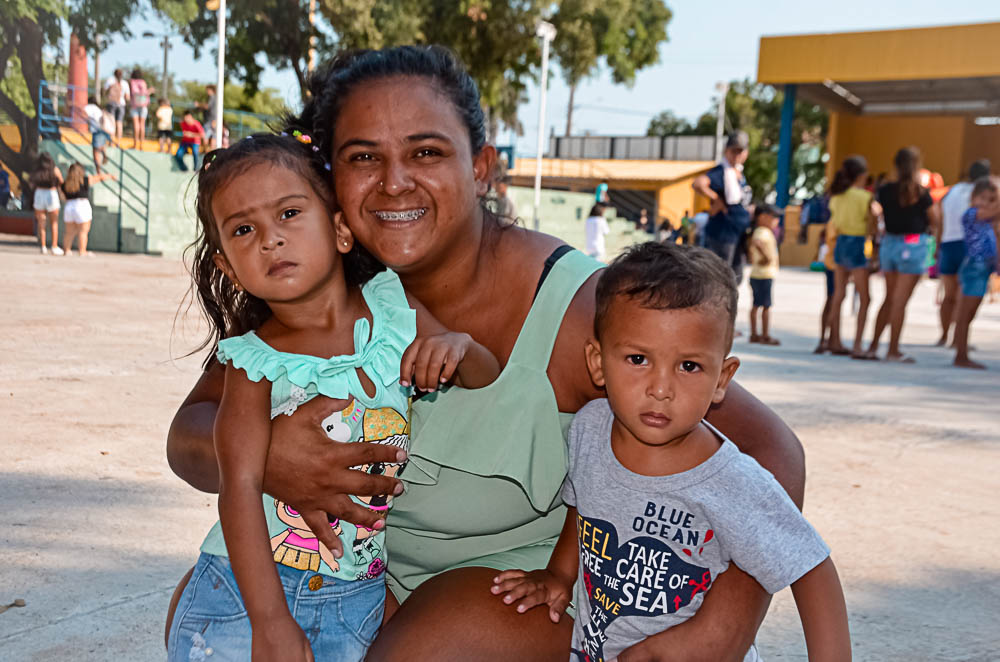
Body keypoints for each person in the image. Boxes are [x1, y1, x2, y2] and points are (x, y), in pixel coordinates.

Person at [165, 45, 807, 661]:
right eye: (364, 158)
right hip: (365, 585)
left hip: (533, 590)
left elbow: (771, 450)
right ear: (332, 182)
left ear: (480, 167)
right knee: (204, 613)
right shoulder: (319, 291)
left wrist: (726, 623)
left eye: (426, 151)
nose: (393, 183)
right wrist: (271, 459)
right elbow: (189, 434)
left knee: (424, 648)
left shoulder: (576, 307)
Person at [166, 133, 499, 661]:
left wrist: (461, 346)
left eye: (290, 213)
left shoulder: (393, 313)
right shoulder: (251, 363)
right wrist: (270, 621)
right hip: (245, 595)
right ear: (229, 267)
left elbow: (483, 376)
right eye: (244, 230)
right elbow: (239, 486)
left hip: (356, 593)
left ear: (341, 230)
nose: (270, 240)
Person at [492, 242, 849, 662]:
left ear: (723, 378)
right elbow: (584, 507)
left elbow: (812, 570)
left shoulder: (732, 482)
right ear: (598, 362)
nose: (661, 388)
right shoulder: (590, 428)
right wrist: (558, 574)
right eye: (638, 358)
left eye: (689, 366)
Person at [863, 147, 940, 362]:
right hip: (913, 244)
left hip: (890, 244)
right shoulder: (921, 192)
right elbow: (934, 220)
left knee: (889, 298)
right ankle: (893, 350)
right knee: (900, 302)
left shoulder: (885, 190)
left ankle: (873, 346)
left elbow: (876, 214)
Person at [826, 156, 881, 358]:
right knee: (865, 297)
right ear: (863, 175)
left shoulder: (836, 196)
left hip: (841, 243)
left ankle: (834, 340)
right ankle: (858, 344)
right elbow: (874, 219)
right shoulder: (865, 197)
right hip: (858, 244)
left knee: (839, 294)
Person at [936, 159, 991, 347]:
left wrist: (938, 244)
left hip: (947, 243)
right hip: (967, 246)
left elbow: (940, 217)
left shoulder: (953, 190)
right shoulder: (981, 195)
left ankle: (944, 335)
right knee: (964, 298)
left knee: (948, 296)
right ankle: (958, 341)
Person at [693, 131, 752, 286]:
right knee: (721, 277)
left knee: (736, 276)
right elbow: (698, 183)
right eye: (734, 151)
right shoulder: (721, 171)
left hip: (737, 233)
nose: (737, 155)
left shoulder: (738, 173)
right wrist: (716, 199)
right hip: (723, 233)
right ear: (726, 151)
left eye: (740, 151)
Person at [952, 176, 1000, 369]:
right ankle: (961, 356)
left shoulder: (989, 219)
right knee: (966, 314)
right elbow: (991, 211)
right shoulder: (971, 214)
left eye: (991, 199)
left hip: (983, 267)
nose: (987, 204)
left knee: (969, 314)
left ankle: (961, 352)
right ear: (974, 197)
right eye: (984, 198)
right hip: (975, 267)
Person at [61, 162, 115, 256]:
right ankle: (82, 251)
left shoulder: (65, 184)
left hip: (69, 206)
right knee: (83, 231)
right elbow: (100, 177)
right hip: (82, 205)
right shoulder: (85, 180)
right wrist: (110, 176)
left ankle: (67, 251)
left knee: (69, 232)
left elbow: (63, 198)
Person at [748, 203, 781, 345]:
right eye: (774, 217)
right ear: (762, 217)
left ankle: (754, 334)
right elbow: (756, 242)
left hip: (757, 273)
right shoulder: (763, 231)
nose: (776, 221)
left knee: (756, 305)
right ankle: (765, 335)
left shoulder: (759, 230)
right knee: (766, 306)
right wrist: (766, 256)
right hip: (765, 274)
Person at [30, 153, 63, 255]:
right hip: (51, 193)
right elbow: (61, 181)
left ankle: (43, 246)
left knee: (41, 222)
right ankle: (54, 246)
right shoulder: (54, 169)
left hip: (39, 194)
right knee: (54, 222)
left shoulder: (36, 170)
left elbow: (31, 182)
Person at [813, 222, 838, 353]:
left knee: (832, 300)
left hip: (833, 263)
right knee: (833, 301)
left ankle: (828, 339)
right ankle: (828, 340)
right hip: (835, 263)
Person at [83, 96, 113, 174]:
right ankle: (104, 154)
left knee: (95, 152)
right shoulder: (98, 109)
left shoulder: (90, 107)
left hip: (97, 131)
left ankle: (98, 172)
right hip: (104, 130)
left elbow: (84, 114)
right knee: (100, 146)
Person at [128, 68, 154, 150]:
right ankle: (141, 145)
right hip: (143, 105)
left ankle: (135, 144)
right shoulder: (143, 82)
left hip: (134, 105)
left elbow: (133, 92)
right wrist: (149, 91)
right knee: (142, 125)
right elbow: (145, 93)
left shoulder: (132, 82)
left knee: (136, 125)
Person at [104, 68, 129, 143]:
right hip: (121, 104)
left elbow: (105, 91)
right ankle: (118, 142)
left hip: (111, 103)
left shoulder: (110, 81)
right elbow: (127, 97)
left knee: (112, 121)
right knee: (119, 122)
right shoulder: (125, 83)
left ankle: (111, 141)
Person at [197, 84, 219, 149]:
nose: (207, 92)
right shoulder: (213, 98)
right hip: (211, 120)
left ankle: (207, 151)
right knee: (212, 136)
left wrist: (199, 105)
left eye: (207, 90)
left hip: (210, 121)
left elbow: (207, 106)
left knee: (206, 136)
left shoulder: (212, 97)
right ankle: (210, 151)